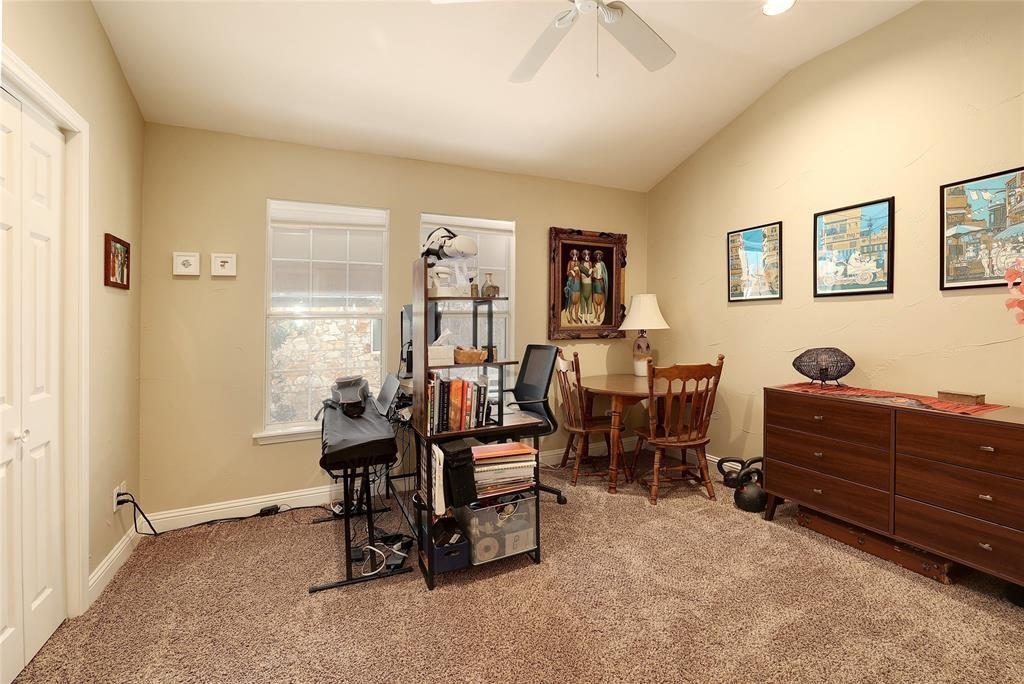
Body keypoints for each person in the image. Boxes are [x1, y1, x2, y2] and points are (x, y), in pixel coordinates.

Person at [591, 250, 608, 323]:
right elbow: (591, 274)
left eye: (599, 255)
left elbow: (605, 274)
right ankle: (596, 314)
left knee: (601, 298)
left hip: (600, 282)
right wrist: (593, 273)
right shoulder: (594, 264)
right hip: (595, 282)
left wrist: (602, 276)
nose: (598, 256)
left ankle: (598, 315)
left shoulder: (602, 264)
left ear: (601, 256)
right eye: (597, 255)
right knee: (594, 298)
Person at [565, 249, 581, 324]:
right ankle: (570, 316)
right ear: (572, 255)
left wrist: (578, 271)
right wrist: (572, 271)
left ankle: (576, 316)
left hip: (577, 282)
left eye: (576, 255)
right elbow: (567, 273)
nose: (575, 256)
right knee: (571, 300)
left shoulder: (578, 263)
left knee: (577, 299)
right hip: (571, 281)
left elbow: (580, 275)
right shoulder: (569, 262)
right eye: (573, 255)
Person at [580, 250, 593, 324]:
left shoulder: (590, 263)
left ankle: (587, 319)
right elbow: (585, 274)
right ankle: (582, 319)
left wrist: (589, 273)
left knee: (589, 302)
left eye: (588, 255)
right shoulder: (581, 264)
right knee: (582, 302)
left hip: (589, 284)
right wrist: (589, 273)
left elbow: (590, 275)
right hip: (583, 284)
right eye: (585, 255)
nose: (587, 256)